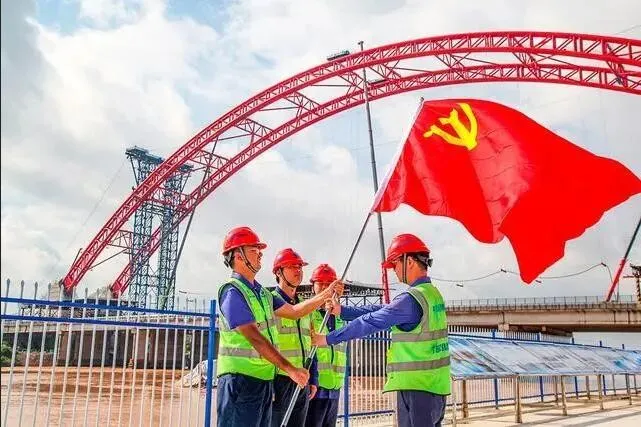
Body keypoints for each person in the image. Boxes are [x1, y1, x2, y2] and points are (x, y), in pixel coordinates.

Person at [312, 234, 451, 427]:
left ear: (409, 262)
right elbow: (383, 309)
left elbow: (370, 322)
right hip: (436, 387)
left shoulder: (411, 299)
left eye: (395, 264)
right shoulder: (431, 294)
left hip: (417, 389)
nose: (394, 270)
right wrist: (342, 311)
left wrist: (327, 339)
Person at [216, 226, 343, 427]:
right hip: (240, 381)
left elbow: (294, 311)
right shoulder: (233, 292)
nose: (260, 255)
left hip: (264, 380)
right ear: (238, 256)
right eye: (254, 251)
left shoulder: (262, 294)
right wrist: (290, 369)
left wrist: (326, 294)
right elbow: (254, 337)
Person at [270, 248, 318, 427]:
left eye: (300, 267)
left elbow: (311, 345)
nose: (298, 270)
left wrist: (313, 379)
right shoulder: (270, 302)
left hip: (302, 378)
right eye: (292, 266)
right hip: (279, 379)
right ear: (278, 272)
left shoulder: (304, 307)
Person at [305, 264, 346, 427]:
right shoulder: (308, 313)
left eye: (328, 283)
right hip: (316, 386)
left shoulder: (339, 315)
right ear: (312, 286)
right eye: (320, 283)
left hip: (335, 386)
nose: (324, 287)